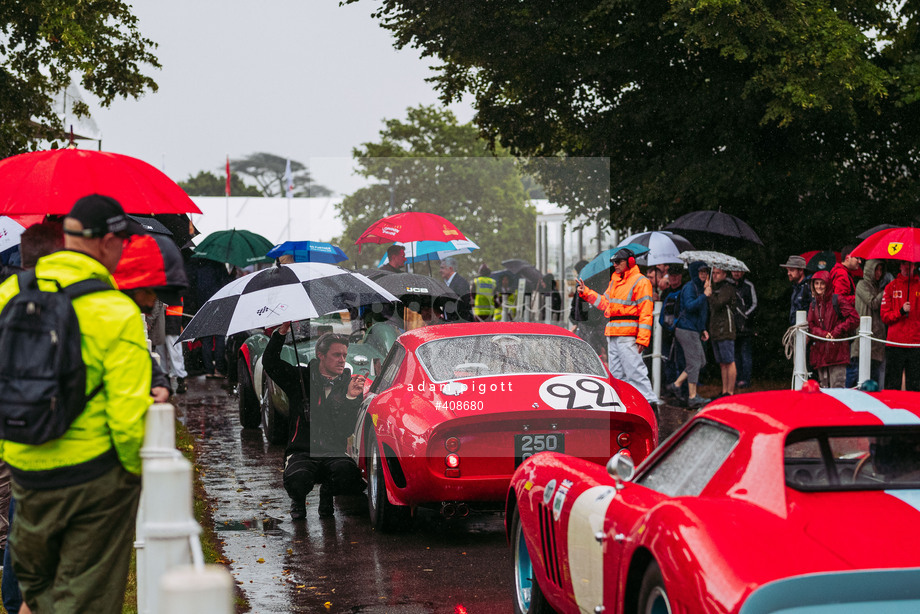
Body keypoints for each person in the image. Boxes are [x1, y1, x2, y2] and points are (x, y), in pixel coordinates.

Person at [0, 194, 151, 613]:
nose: (124, 250)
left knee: (40, 597)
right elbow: (126, 418)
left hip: (26, 472)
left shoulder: (9, 291)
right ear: (105, 242)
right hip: (94, 478)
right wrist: (133, 475)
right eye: (123, 241)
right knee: (84, 601)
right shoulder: (116, 310)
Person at [262, 326, 366, 520]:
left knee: (349, 474)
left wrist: (351, 399)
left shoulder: (349, 385)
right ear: (321, 355)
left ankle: (327, 493)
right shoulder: (300, 378)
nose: (342, 360)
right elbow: (270, 362)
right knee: (297, 479)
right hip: (301, 450)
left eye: (344, 355)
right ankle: (298, 500)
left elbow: (346, 430)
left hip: (333, 452)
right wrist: (282, 332)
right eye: (336, 355)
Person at [577, 248, 659, 406]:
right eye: (613, 262)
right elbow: (604, 303)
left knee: (636, 372)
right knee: (617, 376)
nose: (614, 264)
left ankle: (650, 403)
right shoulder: (615, 281)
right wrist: (586, 293)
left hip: (629, 336)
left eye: (618, 262)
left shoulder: (640, 281)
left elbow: (646, 312)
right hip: (614, 335)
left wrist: (642, 339)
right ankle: (625, 403)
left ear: (630, 262)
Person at [666, 262, 710, 408]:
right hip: (686, 329)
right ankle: (692, 397)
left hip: (693, 329)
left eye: (705, 272)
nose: (704, 274)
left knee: (701, 362)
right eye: (701, 272)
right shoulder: (690, 287)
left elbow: (700, 312)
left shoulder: (701, 287)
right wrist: (705, 295)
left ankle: (676, 384)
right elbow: (690, 306)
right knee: (694, 363)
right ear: (694, 272)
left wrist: (702, 329)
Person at [807, 270, 859, 388]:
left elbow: (854, 318)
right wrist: (824, 334)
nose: (819, 287)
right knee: (823, 390)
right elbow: (810, 325)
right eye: (816, 283)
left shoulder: (838, 300)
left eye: (822, 283)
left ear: (828, 284)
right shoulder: (813, 304)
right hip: (821, 353)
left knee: (838, 388)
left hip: (838, 353)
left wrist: (836, 331)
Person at [880, 261, 920, 391]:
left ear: (915, 266)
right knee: (892, 385)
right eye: (904, 263)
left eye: (911, 264)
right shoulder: (891, 287)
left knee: (915, 387)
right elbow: (884, 316)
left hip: (915, 344)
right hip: (895, 344)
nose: (907, 266)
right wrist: (901, 312)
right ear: (899, 265)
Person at [853, 259, 887, 388]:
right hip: (863, 340)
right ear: (869, 270)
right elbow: (872, 303)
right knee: (857, 382)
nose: (878, 273)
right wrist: (886, 291)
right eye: (876, 269)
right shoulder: (862, 284)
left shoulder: (878, 287)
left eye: (881, 270)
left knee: (874, 384)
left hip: (876, 342)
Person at [706, 267, 738, 399]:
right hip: (715, 329)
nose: (715, 275)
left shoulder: (727, 288)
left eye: (718, 273)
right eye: (713, 273)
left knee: (729, 360)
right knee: (722, 362)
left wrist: (709, 294)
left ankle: (730, 391)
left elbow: (718, 303)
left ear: (724, 274)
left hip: (725, 329)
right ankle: (724, 390)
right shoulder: (715, 287)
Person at [658, 265, 687, 404]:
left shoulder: (684, 291)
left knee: (680, 362)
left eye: (676, 275)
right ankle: (670, 388)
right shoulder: (665, 293)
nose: (674, 278)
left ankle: (681, 391)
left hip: (680, 332)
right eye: (672, 276)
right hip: (666, 333)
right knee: (667, 361)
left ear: (680, 276)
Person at [731, 269, 757, 388]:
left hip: (746, 327)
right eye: (734, 271)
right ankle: (737, 379)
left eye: (739, 271)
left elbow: (754, 304)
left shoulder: (748, 285)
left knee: (745, 354)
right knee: (735, 354)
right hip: (733, 327)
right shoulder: (729, 285)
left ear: (743, 272)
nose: (736, 273)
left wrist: (744, 315)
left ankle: (745, 380)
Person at [781, 255, 812, 325]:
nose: (788, 273)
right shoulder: (796, 288)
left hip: (804, 329)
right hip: (797, 329)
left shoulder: (808, 287)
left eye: (791, 270)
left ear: (801, 271)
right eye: (787, 270)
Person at [439, 256, 472, 321]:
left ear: (450, 268)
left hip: (459, 325)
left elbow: (464, 307)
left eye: (442, 268)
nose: (440, 271)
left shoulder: (461, 283)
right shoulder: (447, 284)